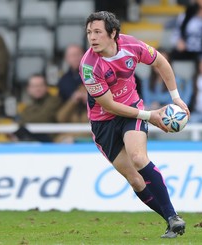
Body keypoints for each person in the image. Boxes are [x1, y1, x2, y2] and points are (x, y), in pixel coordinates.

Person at [79, 11, 189, 238]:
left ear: (113, 33)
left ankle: (173, 217)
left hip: (132, 110)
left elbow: (160, 62)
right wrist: (150, 115)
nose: (92, 37)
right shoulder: (89, 67)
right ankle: (169, 218)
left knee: (138, 157)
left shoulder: (131, 45)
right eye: (89, 32)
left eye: (98, 32)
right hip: (104, 123)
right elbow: (109, 106)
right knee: (135, 180)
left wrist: (175, 97)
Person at [13, 74, 62, 142]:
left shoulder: (54, 101)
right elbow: (20, 121)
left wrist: (23, 122)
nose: (37, 89)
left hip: (50, 140)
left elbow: (43, 118)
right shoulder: (29, 107)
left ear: (46, 87)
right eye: (34, 86)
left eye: (40, 85)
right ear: (28, 89)